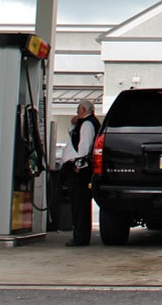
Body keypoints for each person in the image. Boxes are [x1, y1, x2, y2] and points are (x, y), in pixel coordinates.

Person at [61, 99, 100, 247]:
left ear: (83, 109)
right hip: (78, 168)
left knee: (80, 203)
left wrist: (79, 164)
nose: (76, 112)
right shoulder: (84, 123)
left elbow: (85, 145)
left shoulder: (88, 124)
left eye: (78, 109)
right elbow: (73, 132)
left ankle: (80, 237)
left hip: (79, 170)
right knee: (79, 203)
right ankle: (79, 235)